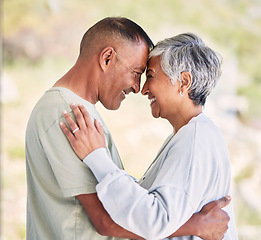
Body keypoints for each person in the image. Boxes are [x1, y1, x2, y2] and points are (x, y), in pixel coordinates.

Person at [26, 16, 229, 240]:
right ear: (107, 58)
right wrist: (196, 225)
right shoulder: (68, 114)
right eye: (137, 73)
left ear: (183, 82)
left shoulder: (194, 137)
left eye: (147, 76)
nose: (138, 87)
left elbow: (138, 210)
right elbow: (106, 220)